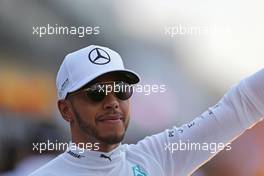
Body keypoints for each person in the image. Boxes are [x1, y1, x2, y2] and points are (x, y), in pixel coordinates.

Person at [30, 45, 264, 176]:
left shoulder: (155, 157)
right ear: (65, 110)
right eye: (96, 92)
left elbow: (240, 105)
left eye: (121, 90)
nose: (112, 101)